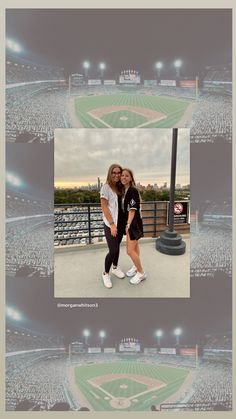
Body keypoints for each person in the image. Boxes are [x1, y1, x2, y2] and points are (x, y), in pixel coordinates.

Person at [100, 164, 126, 288]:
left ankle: (115, 268)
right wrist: (111, 225)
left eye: (119, 172)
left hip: (120, 223)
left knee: (118, 246)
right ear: (110, 173)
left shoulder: (121, 187)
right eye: (114, 172)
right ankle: (105, 273)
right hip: (111, 224)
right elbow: (104, 207)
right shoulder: (106, 187)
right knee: (113, 249)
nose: (116, 175)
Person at [121, 168, 147, 285]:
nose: (124, 177)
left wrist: (128, 224)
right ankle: (136, 267)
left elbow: (132, 209)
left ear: (131, 178)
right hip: (134, 223)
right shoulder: (125, 190)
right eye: (122, 175)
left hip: (133, 223)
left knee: (130, 251)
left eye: (127, 176)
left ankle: (141, 273)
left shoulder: (132, 190)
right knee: (135, 248)